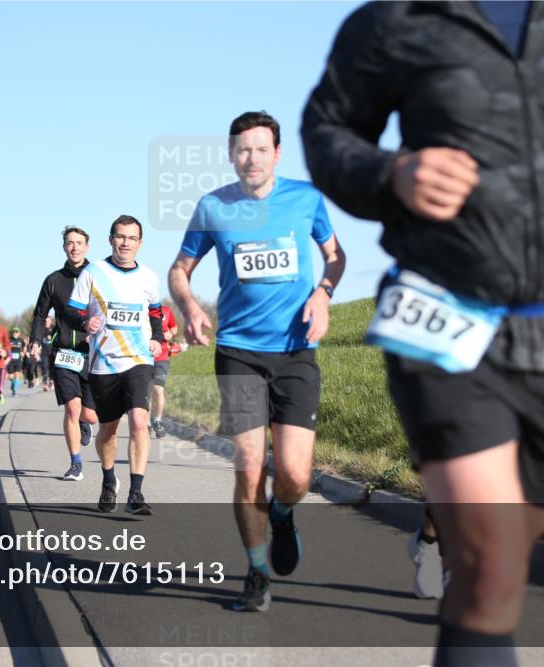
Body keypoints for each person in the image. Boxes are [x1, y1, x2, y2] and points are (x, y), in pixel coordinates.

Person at [301, 2, 544, 664]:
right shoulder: (396, 19)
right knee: (491, 567)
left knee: (495, 576)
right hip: (445, 318)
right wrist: (393, 174)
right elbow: (327, 127)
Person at [169, 111, 346, 612]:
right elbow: (180, 270)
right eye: (242, 149)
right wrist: (189, 308)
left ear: (277, 154)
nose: (251, 158)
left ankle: (284, 514)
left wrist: (324, 296)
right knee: (249, 468)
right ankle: (257, 571)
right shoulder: (213, 207)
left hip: (294, 352)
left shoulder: (306, 199)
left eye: (261, 149)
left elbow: (335, 257)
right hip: (239, 353)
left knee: (294, 475)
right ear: (231, 154)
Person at [64, 215, 164, 514]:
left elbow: (156, 312)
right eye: (120, 236)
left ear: (140, 243)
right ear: (111, 239)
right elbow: (71, 312)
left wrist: (157, 337)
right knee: (107, 431)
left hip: (138, 361)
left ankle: (136, 492)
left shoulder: (149, 277)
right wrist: (85, 321)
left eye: (132, 238)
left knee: (138, 422)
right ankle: (109, 481)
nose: (125, 242)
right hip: (103, 364)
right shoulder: (93, 273)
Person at [30, 227, 100, 482]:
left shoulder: (98, 276)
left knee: (89, 414)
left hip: (92, 353)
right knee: (71, 408)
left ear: (87, 247)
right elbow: (40, 314)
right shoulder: (53, 280)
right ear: (64, 247)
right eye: (70, 243)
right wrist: (36, 341)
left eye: (79, 243)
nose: (75, 247)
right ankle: (76, 463)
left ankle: (85, 420)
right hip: (63, 353)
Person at [149, 304, 178, 438]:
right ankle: (146, 423)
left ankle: (157, 421)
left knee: (158, 390)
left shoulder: (166, 310)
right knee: (146, 391)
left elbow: (174, 328)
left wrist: (170, 333)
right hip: (144, 356)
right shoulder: (141, 308)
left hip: (162, 356)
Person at [6, 326, 25, 396]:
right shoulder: (9, 340)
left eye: (16, 332)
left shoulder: (21, 340)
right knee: (10, 377)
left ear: (19, 333)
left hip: (18, 360)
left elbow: (25, 346)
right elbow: (5, 347)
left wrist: (23, 352)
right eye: (14, 332)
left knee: (17, 375)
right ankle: (13, 383)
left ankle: (15, 389)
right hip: (10, 360)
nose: (15, 333)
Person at [40, 318, 54, 391]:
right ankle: (45, 383)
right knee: (44, 367)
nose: (46, 322)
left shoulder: (54, 328)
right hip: (44, 352)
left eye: (48, 321)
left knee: (52, 367)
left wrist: (52, 337)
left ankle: (51, 381)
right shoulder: (41, 329)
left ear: (51, 322)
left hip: (52, 351)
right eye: (45, 321)